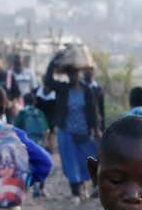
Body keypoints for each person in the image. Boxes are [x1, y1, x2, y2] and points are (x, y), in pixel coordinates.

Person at [43, 60, 104, 202]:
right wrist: (53, 61)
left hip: (84, 132)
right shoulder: (63, 89)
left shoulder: (87, 90)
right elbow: (48, 81)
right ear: (68, 75)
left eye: (76, 73)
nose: (74, 76)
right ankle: (75, 193)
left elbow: (93, 112)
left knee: (85, 161)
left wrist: (96, 130)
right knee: (70, 162)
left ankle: (84, 187)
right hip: (67, 131)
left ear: (80, 73)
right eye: (71, 74)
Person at [13, 94, 51, 198]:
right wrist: (47, 142)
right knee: (42, 162)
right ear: (35, 102)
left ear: (24, 102)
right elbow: (47, 130)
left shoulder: (22, 113)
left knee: (28, 164)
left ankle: (33, 187)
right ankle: (41, 188)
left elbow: (15, 129)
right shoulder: (39, 112)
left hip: (27, 142)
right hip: (40, 141)